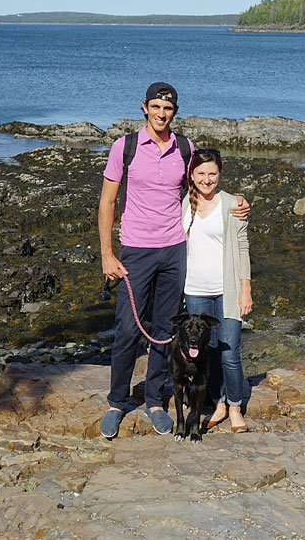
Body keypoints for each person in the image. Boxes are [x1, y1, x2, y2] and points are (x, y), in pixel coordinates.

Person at [98, 82, 249, 438]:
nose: (161, 114)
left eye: (167, 109)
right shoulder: (126, 147)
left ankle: (154, 400)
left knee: (165, 333)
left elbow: (204, 185)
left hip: (173, 250)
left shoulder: (185, 148)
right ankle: (117, 402)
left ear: (174, 112)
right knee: (127, 330)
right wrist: (106, 253)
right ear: (144, 108)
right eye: (155, 107)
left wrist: (236, 202)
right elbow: (107, 202)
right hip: (135, 250)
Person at [181, 148, 252, 433]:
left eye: (212, 173)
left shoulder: (233, 204)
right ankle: (218, 403)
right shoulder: (185, 203)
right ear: (192, 175)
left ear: (220, 174)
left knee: (229, 352)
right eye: (201, 173)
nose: (207, 179)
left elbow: (243, 247)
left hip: (227, 289)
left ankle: (235, 407)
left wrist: (245, 289)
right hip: (195, 291)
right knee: (205, 351)